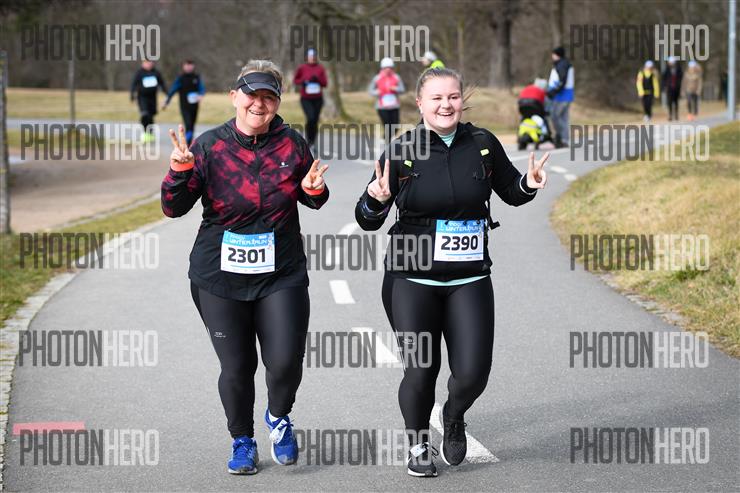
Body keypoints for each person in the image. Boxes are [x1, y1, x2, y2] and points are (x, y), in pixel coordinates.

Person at [354, 67, 549, 477]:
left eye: (454, 97)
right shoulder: (402, 149)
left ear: (463, 100)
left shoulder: (482, 144)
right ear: (420, 103)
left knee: (473, 373)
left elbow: (511, 192)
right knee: (421, 370)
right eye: (437, 98)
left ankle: (454, 415)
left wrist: (529, 184)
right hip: (411, 278)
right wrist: (375, 200)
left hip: (469, 278)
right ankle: (418, 445)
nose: (446, 105)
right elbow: (368, 218)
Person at [161, 60, 330, 475]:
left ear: (278, 103)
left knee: (285, 361)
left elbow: (312, 195)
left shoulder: (292, 145)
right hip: (219, 278)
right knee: (237, 367)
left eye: (269, 97)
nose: (259, 103)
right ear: (234, 96)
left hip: (281, 273)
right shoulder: (208, 147)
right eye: (252, 94)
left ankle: (278, 416)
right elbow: (173, 208)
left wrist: (315, 190)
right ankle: (242, 441)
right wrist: (179, 172)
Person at [162, 60, 206, 145]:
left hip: (194, 106)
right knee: (188, 124)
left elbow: (201, 88)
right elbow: (172, 90)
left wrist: (201, 95)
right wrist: (166, 102)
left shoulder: (196, 77)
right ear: (183, 66)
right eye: (187, 65)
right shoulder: (181, 78)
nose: (189, 67)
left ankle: (189, 143)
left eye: (190, 65)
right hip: (184, 106)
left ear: (193, 66)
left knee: (192, 125)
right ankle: (187, 143)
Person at [293, 48, 328, 151]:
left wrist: (318, 80)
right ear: (307, 57)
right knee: (310, 118)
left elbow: (325, 83)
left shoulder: (320, 68)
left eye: (313, 56)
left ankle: (312, 142)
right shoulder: (302, 68)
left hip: (318, 99)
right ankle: (308, 141)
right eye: (310, 56)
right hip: (306, 99)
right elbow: (296, 80)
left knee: (315, 120)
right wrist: (304, 81)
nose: (312, 58)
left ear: (316, 57)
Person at [368, 57, 405, 143]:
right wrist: (377, 92)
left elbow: (402, 89)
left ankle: (384, 138)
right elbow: (370, 90)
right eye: (386, 68)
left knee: (395, 127)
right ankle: (387, 144)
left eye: (390, 67)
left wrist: (396, 89)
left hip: (394, 106)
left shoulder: (396, 77)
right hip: (382, 107)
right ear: (382, 68)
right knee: (387, 126)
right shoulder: (377, 78)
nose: (388, 69)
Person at [131, 60, 167, 142]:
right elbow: (134, 84)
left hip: (153, 98)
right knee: (145, 114)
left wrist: (167, 94)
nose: (149, 65)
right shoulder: (139, 73)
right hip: (142, 97)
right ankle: (144, 132)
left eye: (150, 63)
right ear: (143, 63)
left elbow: (162, 84)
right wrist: (132, 95)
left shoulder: (156, 73)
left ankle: (150, 133)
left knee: (151, 116)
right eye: (147, 63)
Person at [546, 46, 574, 148]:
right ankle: (564, 139)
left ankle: (561, 137)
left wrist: (553, 92)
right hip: (567, 95)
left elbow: (562, 81)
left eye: (553, 54)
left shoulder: (562, 65)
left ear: (557, 55)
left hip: (562, 96)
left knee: (555, 116)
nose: (552, 56)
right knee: (563, 118)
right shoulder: (565, 64)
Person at [517, 78, 551, 149]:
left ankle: (519, 137)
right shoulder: (541, 91)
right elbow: (545, 104)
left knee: (524, 119)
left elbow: (520, 98)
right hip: (535, 103)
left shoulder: (528, 87)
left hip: (522, 104)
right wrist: (546, 112)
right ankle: (545, 134)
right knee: (542, 118)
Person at [662, 56, 683, 121]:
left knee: (676, 102)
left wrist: (679, 85)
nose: (671, 63)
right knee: (669, 102)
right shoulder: (666, 69)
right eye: (670, 62)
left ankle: (676, 114)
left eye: (672, 62)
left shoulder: (678, 69)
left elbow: (681, 78)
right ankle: (670, 115)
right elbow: (663, 79)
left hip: (676, 88)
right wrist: (664, 87)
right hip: (669, 88)